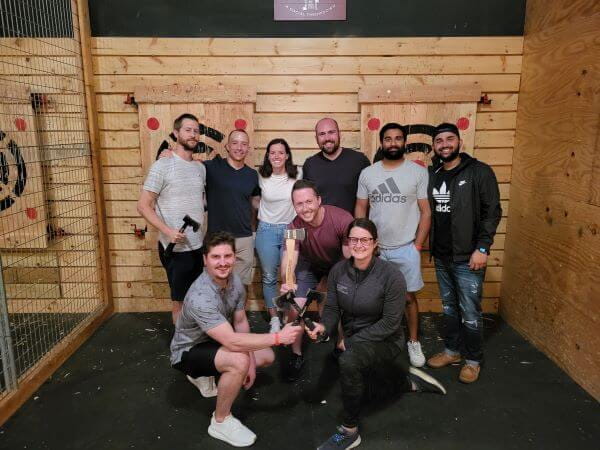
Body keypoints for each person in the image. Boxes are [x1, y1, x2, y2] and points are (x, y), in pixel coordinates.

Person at [307, 218, 446, 450]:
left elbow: (391, 323)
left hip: (385, 339)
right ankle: (405, 382)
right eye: (353, 239)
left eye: (365, 240)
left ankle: (349, 432)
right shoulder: (338, 271)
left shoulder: (392, 276)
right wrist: (323, 328)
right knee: (360, 382)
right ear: (348, 242)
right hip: (353, 336)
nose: (359, 244)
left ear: (375, 243)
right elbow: (331, 308)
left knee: (348, 361)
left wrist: (350, 341)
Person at [170, 232, 303, 447]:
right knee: (239, 361)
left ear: (234, 257)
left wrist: (251, 362)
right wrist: (278, 337)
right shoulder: (200, 296)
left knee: (265, 356)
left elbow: (240, 322)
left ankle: (214, 373)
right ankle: (220, 421)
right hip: (188, 351)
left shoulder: (235, 281)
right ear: (205, 259)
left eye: (227, 256)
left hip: (216, 339)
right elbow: (232, 341)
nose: (223, 263)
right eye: (215, 257)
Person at [426, 123, 502, 384]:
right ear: (434, 146)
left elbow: (492, 212)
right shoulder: (434, 174)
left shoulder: (479, 172)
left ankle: (472, 361)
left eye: (450, 139)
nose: (445, 144)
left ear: (459, 142)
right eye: (439, 141)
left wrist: (482, 248)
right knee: (449, 309)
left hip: (468, 257)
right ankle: (452, 351)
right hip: (442, 256)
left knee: (470, 312)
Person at [355, 122, 431, 367]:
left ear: (404, 142)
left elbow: (426, 211)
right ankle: (379, 341)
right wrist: (364, 242)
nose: (393, 143)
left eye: (398, 138)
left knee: (408, 298)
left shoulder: (418, 172)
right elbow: (361, 208)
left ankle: (413, 342)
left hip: (406, 247)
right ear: (382, 143)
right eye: (388, 139)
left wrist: (417, 246)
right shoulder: (368, 174)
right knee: (374, 299)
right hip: (376, 249)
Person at [280, 180, 353, 381]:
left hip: (337, 265)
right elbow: (289, 258)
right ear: (294, 206)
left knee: (341, 303)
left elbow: (349, 258)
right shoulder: (294, 226)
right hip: (309, 265)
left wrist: (331, 284)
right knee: (295, 306)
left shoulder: (342, 219)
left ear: (319, 200)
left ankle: (341, 346)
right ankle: (296, 354)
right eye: (299, 204)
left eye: (309, 201)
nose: (305, 208)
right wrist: (288, 280)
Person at [138, 113, 206, 324]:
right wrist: (168, 231)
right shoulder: (162, 166)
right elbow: (143, 205)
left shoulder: (200, 168)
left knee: (195, 297)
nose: (193, 134)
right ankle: (180, 342)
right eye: (188, 130)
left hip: (197, 246)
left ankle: (193, 336)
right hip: (175, 249)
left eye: (196, 131)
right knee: (179, 302)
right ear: (176, 133)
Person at [204, 129, 261, 287]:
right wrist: (169, 154)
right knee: (215, 287)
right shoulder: (212, 167)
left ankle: (239, 306)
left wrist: (254, 232)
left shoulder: (252, 175)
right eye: (235, 143)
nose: (239, 147)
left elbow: (255, 205)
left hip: (244, 239)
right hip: (217, 239)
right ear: (227, 146)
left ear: (248, 148)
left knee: (240, 287)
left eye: (244, 144)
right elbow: (190, 164)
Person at [255, 138, 301, 333]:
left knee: (288, 277)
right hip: (266, 229)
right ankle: (274, 318)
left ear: (287, 155)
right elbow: (254, 199)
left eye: (280, 152)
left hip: (291, 229)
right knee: (268, 277)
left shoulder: (298, 174)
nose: (276, 156)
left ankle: (287, 314)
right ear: (267, 156)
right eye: (272, 152)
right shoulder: (261, 176)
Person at [303, 118, 370, 214]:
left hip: (352, 223)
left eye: (331, 132)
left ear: (339, 134)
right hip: (321, 223)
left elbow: (370, 198)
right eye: (322, 134)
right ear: (316, 139)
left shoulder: (359, 160)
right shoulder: (310, 165)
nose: (327, 138)